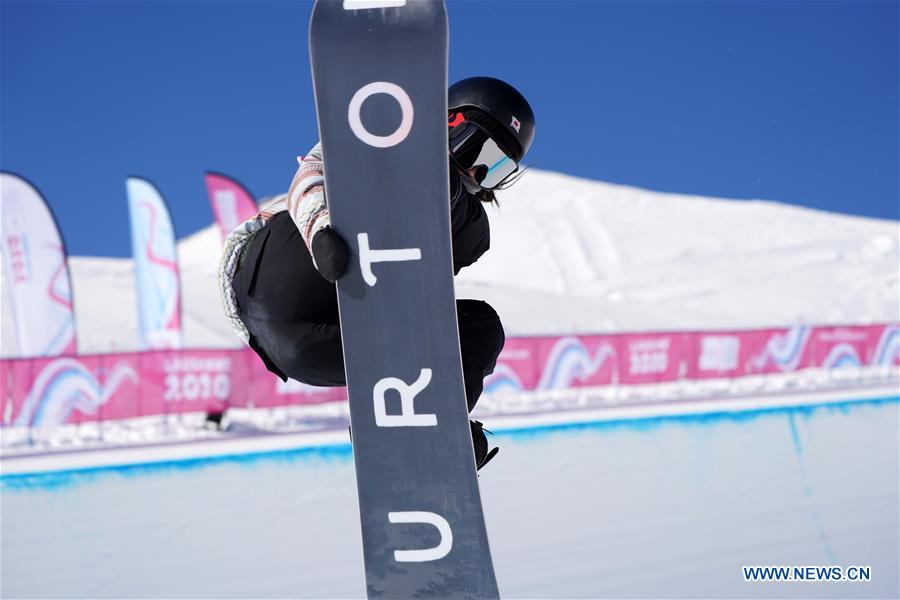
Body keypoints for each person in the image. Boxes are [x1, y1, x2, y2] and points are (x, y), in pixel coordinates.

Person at [218, 76, 535, 470]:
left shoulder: (467, 226)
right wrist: (321, 231)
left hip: (315, 346)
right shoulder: (384, 136)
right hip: (283, 273)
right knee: (428, 190)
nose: (478, 169)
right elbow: (313, 172)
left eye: (497, 168)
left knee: (479, 327)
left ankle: (424, 428)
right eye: (477, 148)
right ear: (450, 123)